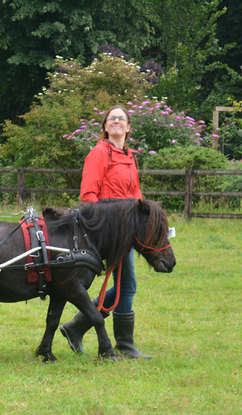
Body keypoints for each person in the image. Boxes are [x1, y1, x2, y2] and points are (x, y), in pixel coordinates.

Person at [59, 104, 151, 359]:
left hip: (126, 231)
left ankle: (76, 327)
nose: (117, 121)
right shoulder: (99, 154)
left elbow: (136, 196)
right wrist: (109, 223)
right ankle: (121, 343)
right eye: (112, 118)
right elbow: (88, 196)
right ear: (105, 126)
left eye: (121, 118)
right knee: (127, 285)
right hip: (107, 232)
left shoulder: (129, 156)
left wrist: (141, 221)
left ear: (129, 127)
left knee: (125, 285)